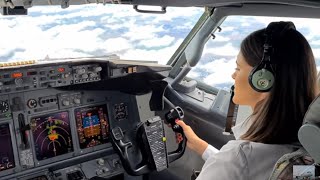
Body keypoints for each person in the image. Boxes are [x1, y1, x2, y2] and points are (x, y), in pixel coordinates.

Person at [175, 21, 318, 180]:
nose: (233, 76)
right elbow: (257, 170)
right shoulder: (309, 151)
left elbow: (240, 166)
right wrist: (202, 147)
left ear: (263, 82)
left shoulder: (238, 158)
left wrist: (223, 160)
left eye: (238, 68)